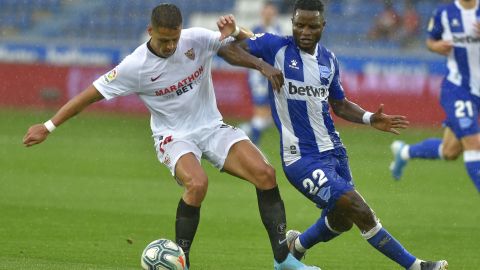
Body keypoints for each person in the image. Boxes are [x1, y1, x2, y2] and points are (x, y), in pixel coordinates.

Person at [22, 4, 320, 270]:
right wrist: (48, 126)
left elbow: (226, 49)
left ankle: (283, 260)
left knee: (265, 174)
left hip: (211, 126)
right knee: (197, 183)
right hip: (173, 136)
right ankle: (183, 262)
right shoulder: (134, 66)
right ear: (150, 31)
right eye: (164, 40)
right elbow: (88, 96)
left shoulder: (194, 38)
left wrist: (260, 65)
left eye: (174, 39)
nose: (170, 46)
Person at [218, 0, 448, 269]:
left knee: (342, 219)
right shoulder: (275, 46)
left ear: (322, 26)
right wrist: (261, 65)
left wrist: (369, 118)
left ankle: (297, 245)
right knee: (359, 209)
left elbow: (338, 104)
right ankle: (417, 266)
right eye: (299, 25)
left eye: (312, 26)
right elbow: (227, 49)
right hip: (301, 160)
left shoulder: (329, 60)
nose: (305, 31)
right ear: (291, 24)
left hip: (334, 152)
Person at [390, 0, 480, 193]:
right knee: (474, 143)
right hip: (458, 89)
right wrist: (437, 46)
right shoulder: (445, 13)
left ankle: (404, 152)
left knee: (450, 151)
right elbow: (431, 41)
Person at [241, 1, 282, 145]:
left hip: (272, 75)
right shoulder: (255, 31)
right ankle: (251, 142)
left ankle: (246, 132)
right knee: (261, 113)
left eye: (271, 13)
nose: (269, 15)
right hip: (259, 77)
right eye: (267, 12)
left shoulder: (277, 30)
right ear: (262, 13)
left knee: (268, 116)